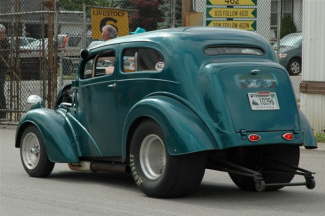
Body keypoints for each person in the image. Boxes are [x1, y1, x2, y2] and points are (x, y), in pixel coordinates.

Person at [0, 24, 9, 119]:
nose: (1, 35)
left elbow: (4, 56)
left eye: (2, 33)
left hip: (2, 68)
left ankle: (3, 113)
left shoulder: (6, 43)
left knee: (0, 89)